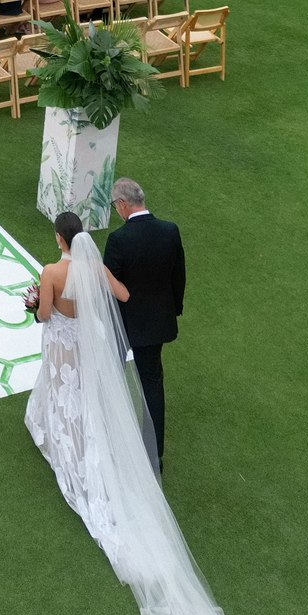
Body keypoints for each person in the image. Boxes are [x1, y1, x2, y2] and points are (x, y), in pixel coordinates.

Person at [24, 215, 273, 615]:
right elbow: (122, 297)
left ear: (58, 238)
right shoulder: (94, 269)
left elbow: (45, 316)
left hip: (61, 344)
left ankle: (64, 447)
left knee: (62, 397)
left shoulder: (53, 271)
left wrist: (36, 302)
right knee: (80, 401)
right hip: (86, 344)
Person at [103, 178, 187, 463]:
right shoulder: (169, 231)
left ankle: (107, 438)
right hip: (155, 326)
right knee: (152, 386)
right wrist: (172, 310)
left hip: (122, 324)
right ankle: (153, 456)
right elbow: (179, 277)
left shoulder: (118, 240)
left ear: (123, 204)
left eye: (116, 206)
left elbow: (109, 287)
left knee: (110, 376)